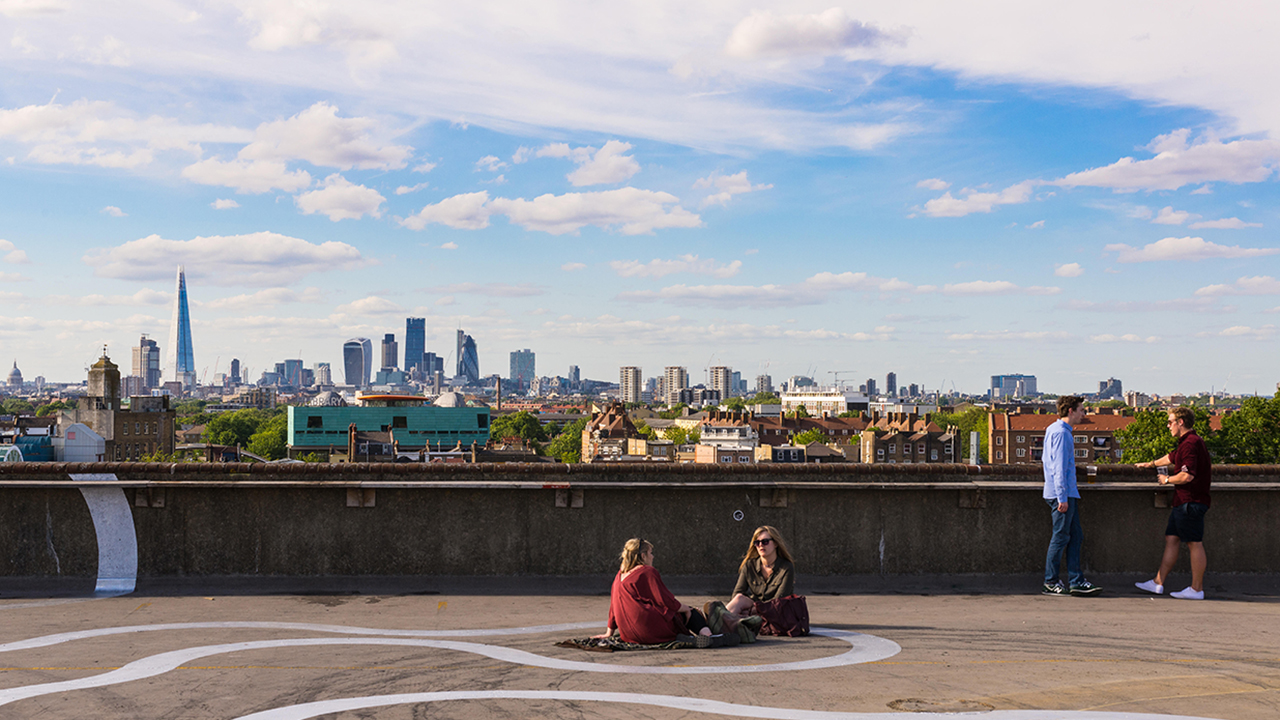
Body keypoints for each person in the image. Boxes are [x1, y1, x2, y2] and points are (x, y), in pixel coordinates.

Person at [1134, 407, 1212, 600]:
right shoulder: (1189, 442)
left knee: (1194, 543)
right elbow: (1172, 457)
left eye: (1170, 422)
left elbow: (1186, 475)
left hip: (1190, 502)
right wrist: (1150, 464)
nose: (1168, 426)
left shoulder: (1190, 444)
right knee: (1172, 539)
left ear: (1181, 422)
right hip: (1183, 502)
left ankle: (1196, 589)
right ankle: (1158, 583)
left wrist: (1167, 480)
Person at [1041, 395, 1102, 597]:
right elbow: (1058, 467)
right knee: (1061, 537)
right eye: (1081, 410)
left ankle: (1076, 581)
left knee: (1075, 536)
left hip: (1066, 492)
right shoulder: (1062, 434)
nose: (1084, 414)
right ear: (1070, 411)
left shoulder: (1053, 429)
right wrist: (1062, 498)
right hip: (1063, 494)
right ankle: (1050, 582)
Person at [605, 538, 712, 643]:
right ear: (643, 556)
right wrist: (687, 609)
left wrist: (609, 633)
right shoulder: (647, 571)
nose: (653, 556)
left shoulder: (619, 576)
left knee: (677, 611)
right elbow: (666, 600)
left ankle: (702, 635)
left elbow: (614, 607)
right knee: (690, 613)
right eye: (650, 553)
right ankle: (709, 636)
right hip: (650, 631)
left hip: (629, 636)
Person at [725, 525, 795, 615]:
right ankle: (717, 621)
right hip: (755, 609)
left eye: (765, 542)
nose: (760, 545)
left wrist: (752, 611)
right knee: (739, 598)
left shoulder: (786, 567)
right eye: (757, 543)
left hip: (777, 614)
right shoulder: (750, 565)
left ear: (775, 544)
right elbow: (737, 593)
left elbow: (779, 601)